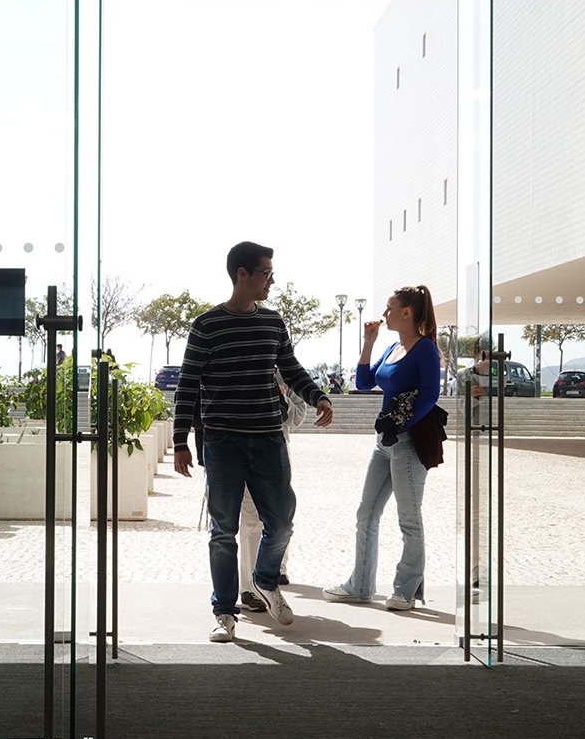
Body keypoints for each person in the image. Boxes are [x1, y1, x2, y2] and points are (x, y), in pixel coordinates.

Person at [173, 241, 333, 643]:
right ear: (241, 274)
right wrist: (179, 442)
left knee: (281, 522)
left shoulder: (273, 323)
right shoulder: (206, 326)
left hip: (267, 439)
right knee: (222, 531)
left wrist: (319, 397)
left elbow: (291, 368)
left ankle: (264, 580)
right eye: (265, 272)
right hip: (223, 442)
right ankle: (225, 612)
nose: (271, 280)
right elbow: (187, 388)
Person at [323, 285, 443, 611]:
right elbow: (363, 382)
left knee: (409, 519)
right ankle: (360, 586)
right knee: (366, 513)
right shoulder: (392, 347)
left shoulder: (425, 350)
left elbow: (431, 395)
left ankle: (405, 591)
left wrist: (401, 425)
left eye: (390, 308)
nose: (385, 313)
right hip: (383, 443)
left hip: (408, 443)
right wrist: (369, 342)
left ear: (407, 312)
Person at [236, 370, 307, 613]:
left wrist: (281, 397)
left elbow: (297, 417)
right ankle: (249, 589)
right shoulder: (243, 366)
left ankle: (274, 571)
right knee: (250, 519)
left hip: (277, 453)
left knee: (280, 519)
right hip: (244, 448)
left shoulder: (287, 376)